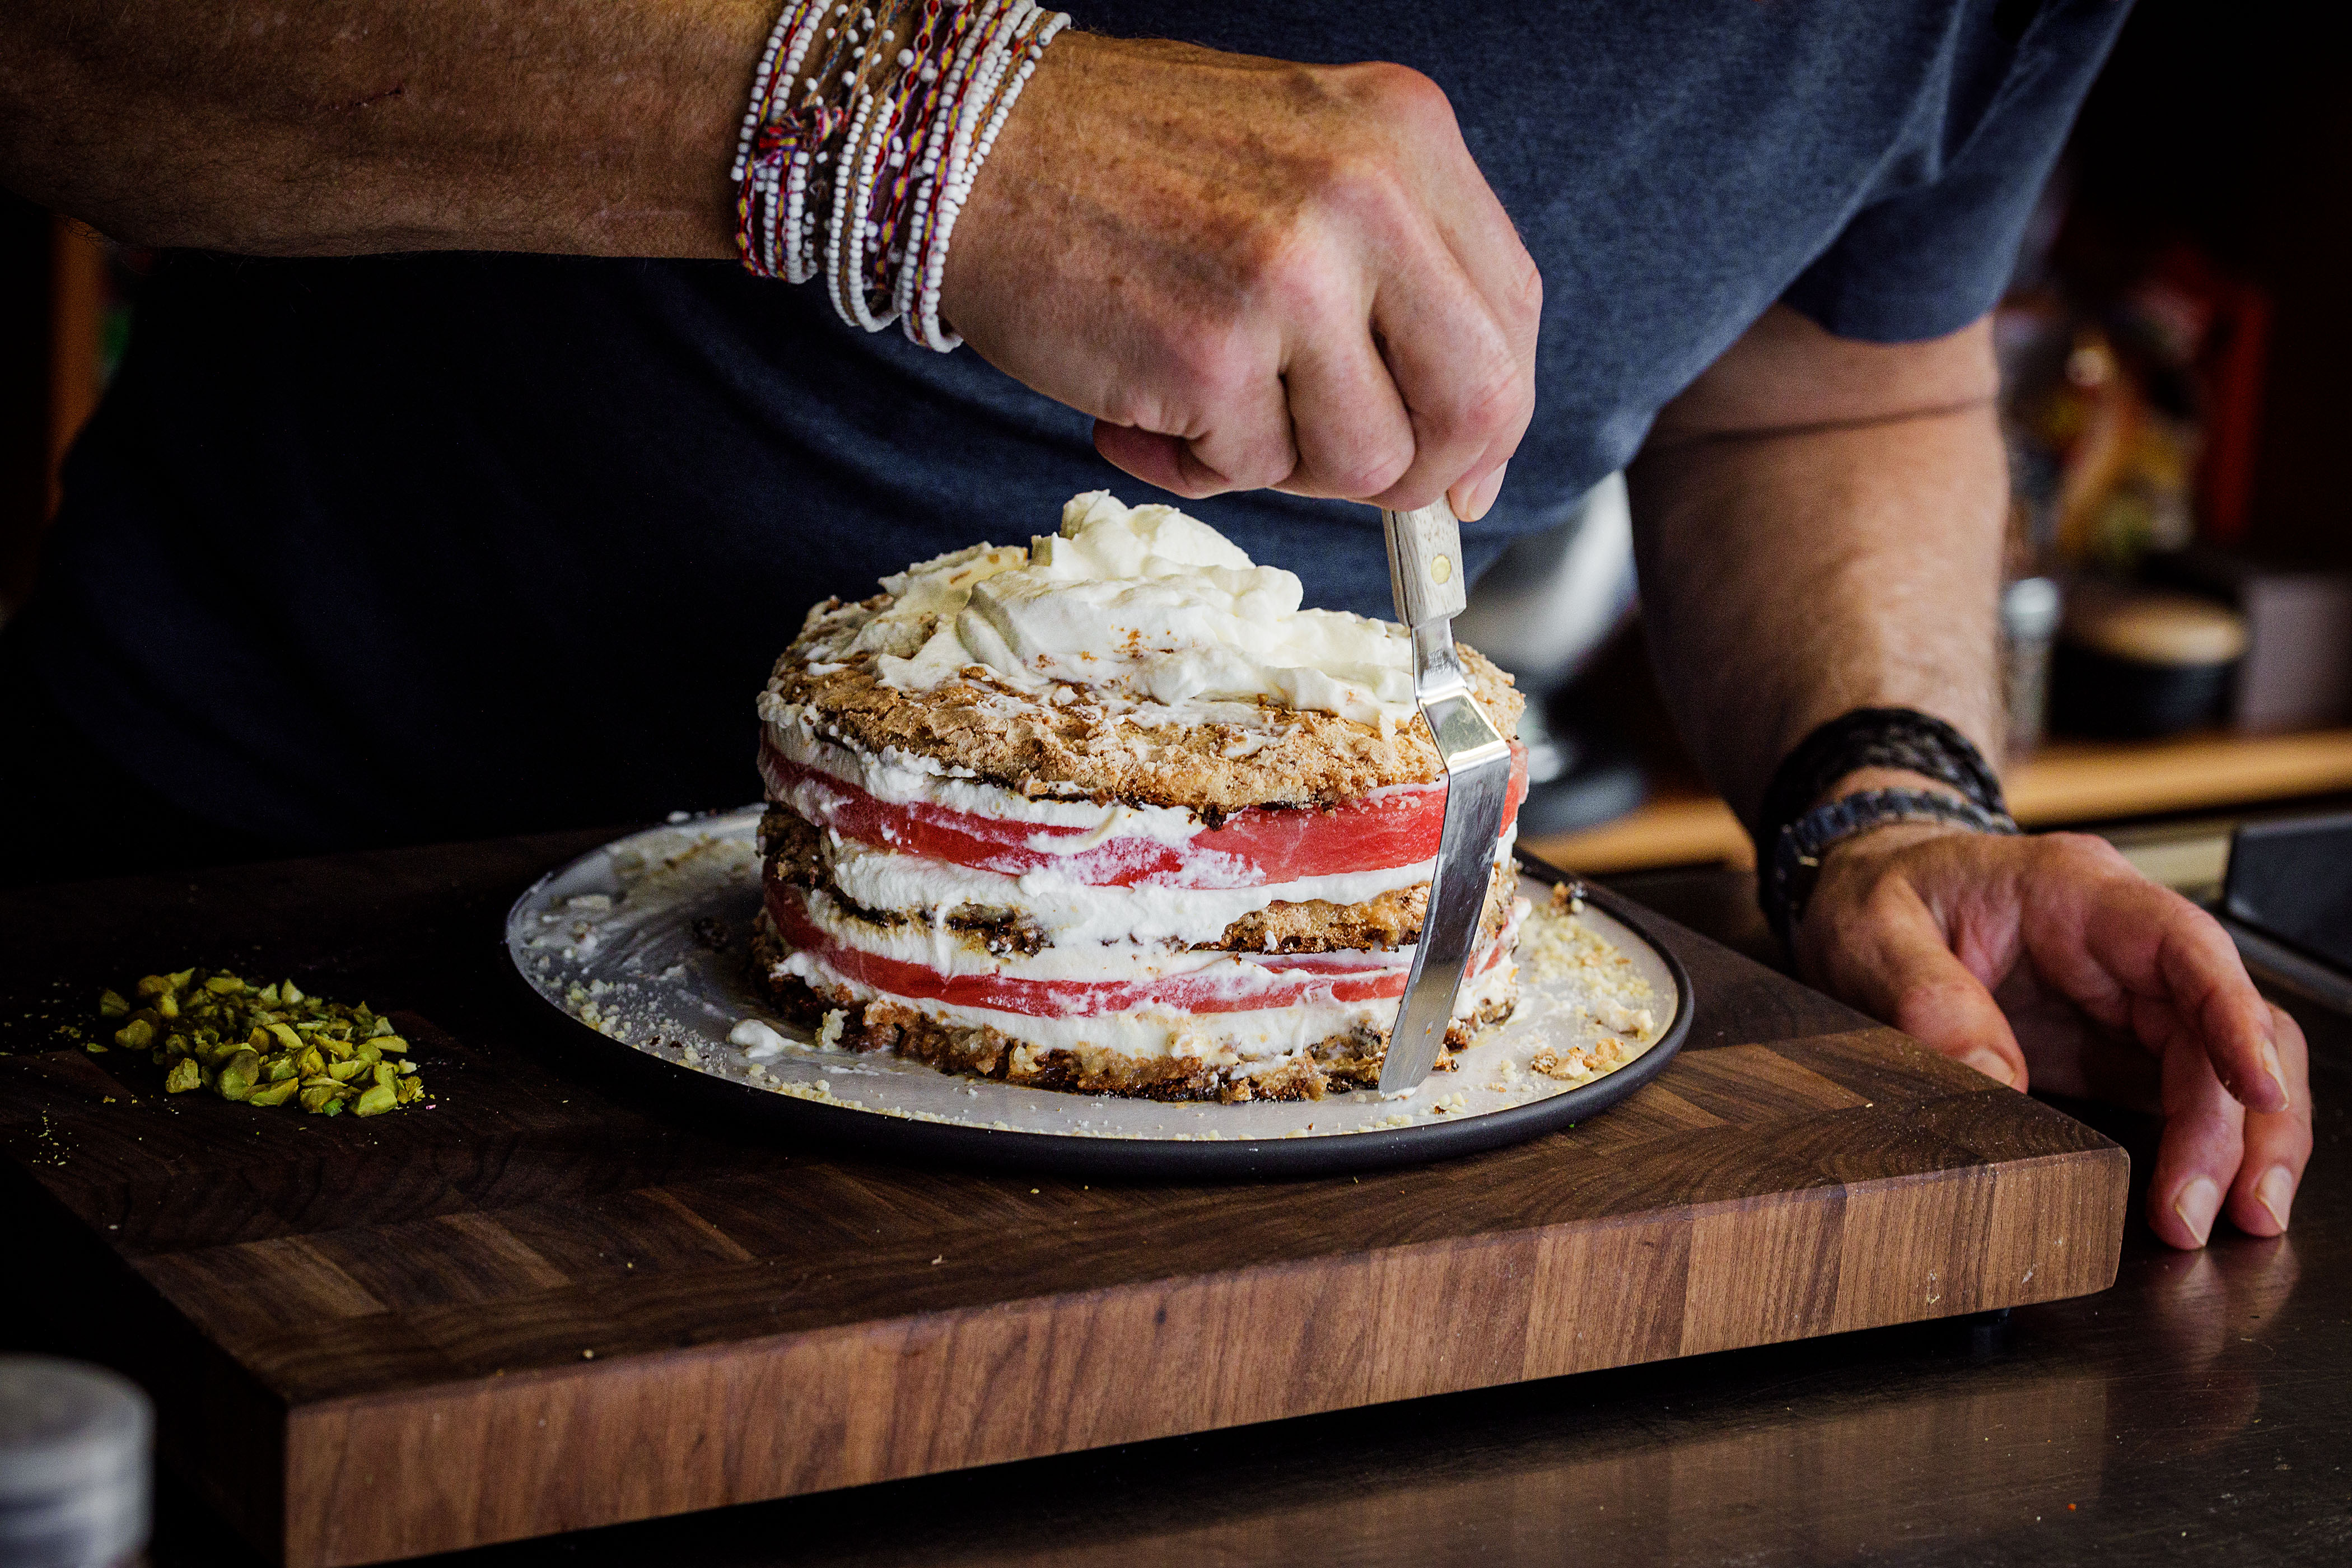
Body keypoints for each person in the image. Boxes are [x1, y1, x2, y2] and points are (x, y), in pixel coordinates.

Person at [0, 0, 2309, 1249]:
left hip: (1300, 1148)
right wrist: (919, 128)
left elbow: (1842, 381)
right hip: (308, 965)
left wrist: (1887, 803)